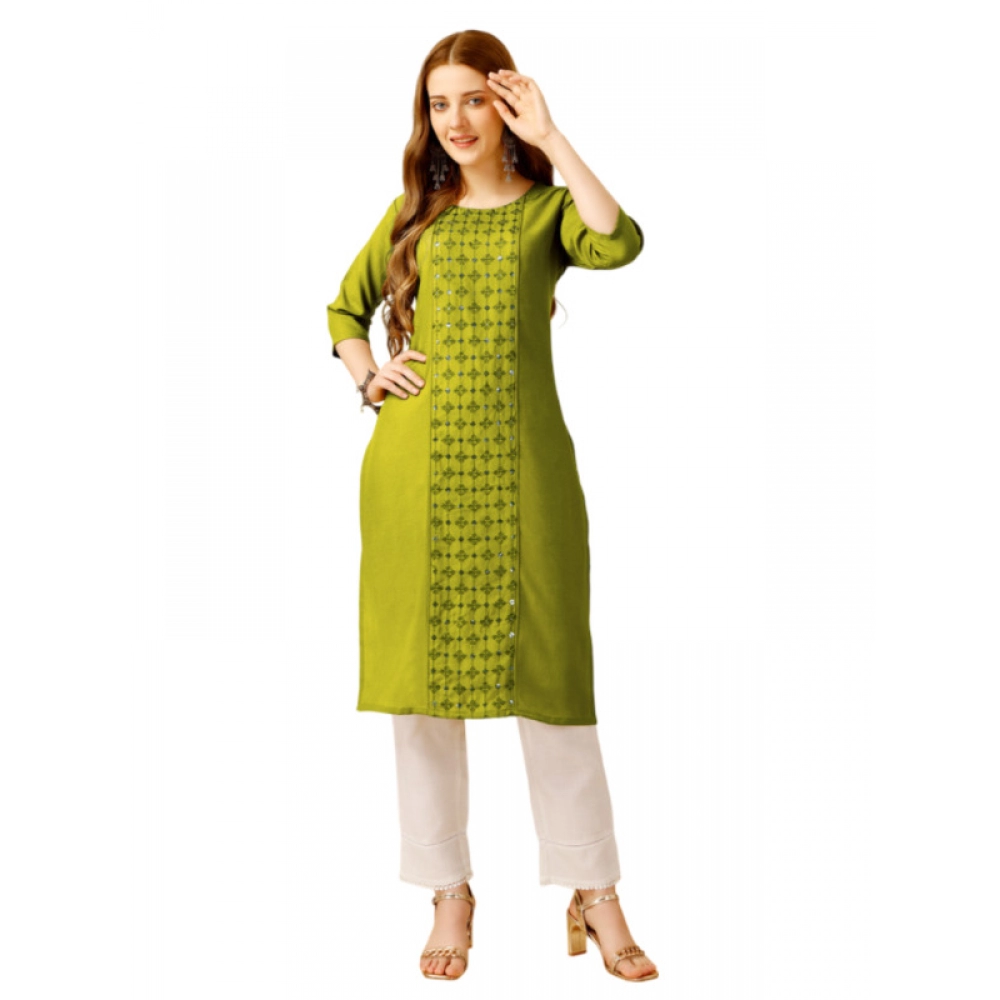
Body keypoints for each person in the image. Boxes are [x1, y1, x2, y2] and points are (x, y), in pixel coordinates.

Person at [326, 30, 657, 982]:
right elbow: (344, 310)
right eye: (439, 104)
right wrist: (371, 375)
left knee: (553, 686)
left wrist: (553, 137)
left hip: (526, 480)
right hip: (413, 480)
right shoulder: (414, 215)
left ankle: (595, 892)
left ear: (506, 104)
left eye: (474, 99)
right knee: (420, 697)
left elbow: (619, 241)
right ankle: (448, 891)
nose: (456, 121)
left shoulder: (548, 213)